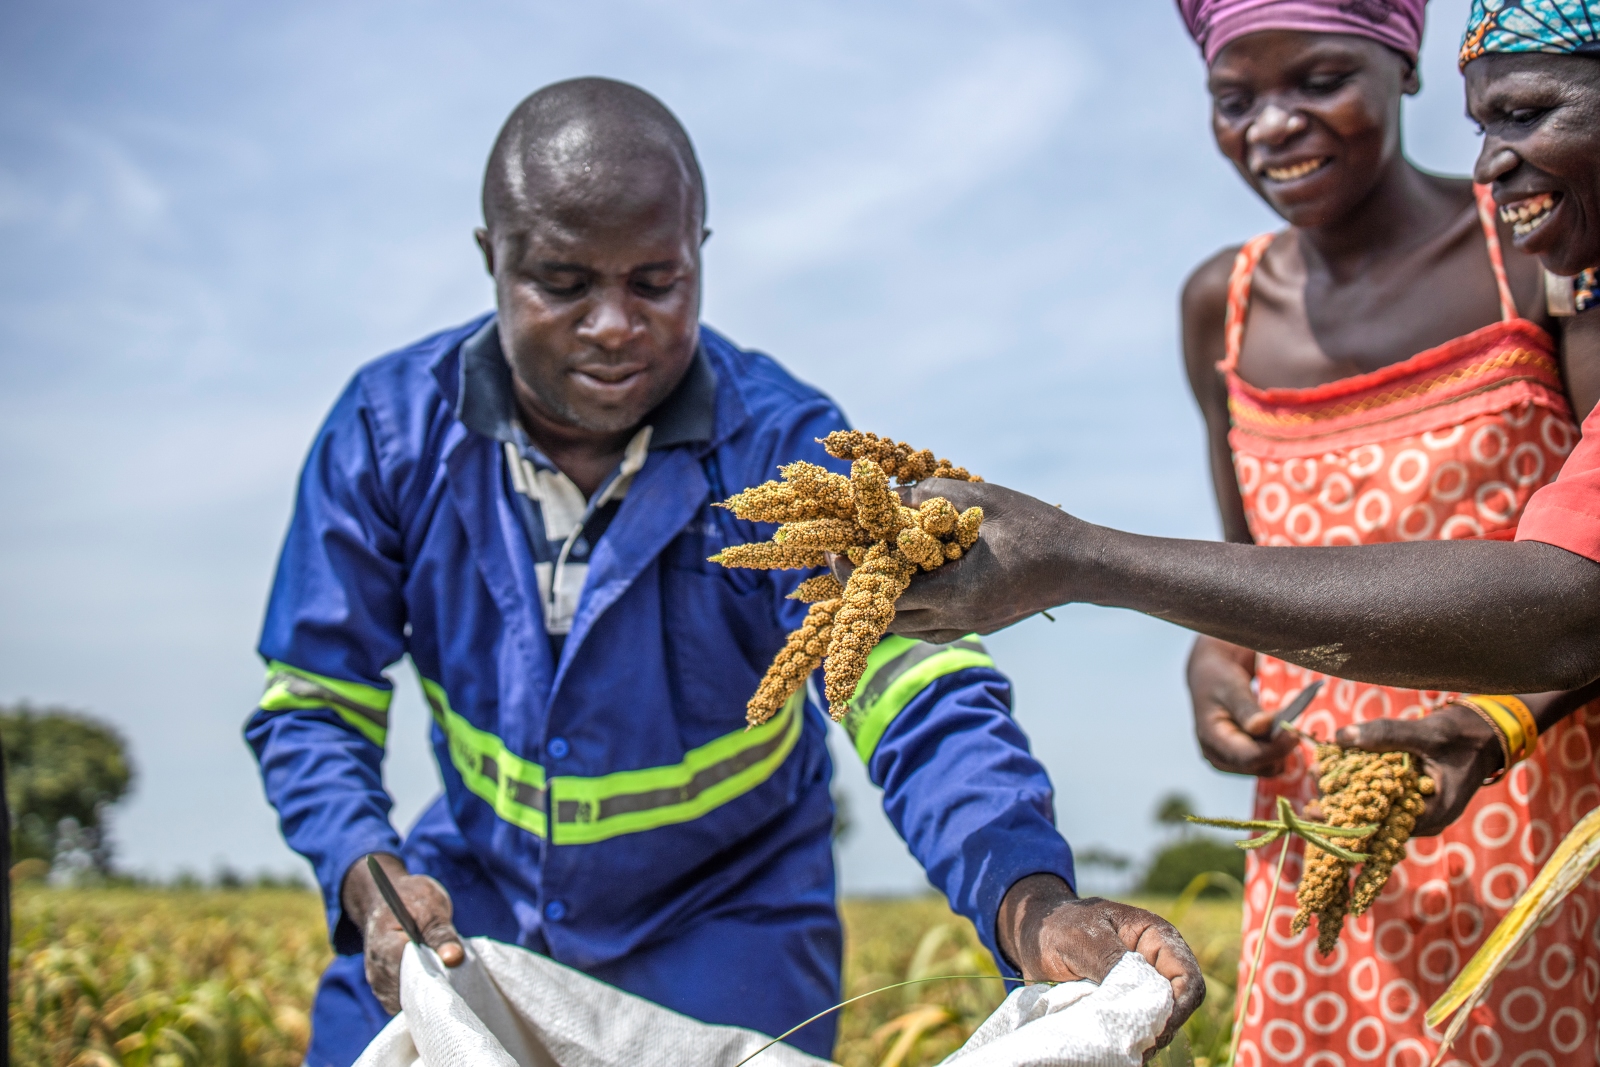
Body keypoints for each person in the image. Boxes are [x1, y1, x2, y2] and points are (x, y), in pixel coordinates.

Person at [245, 78, 1202, 1067]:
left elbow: (914, 692)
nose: (613, 323)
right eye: (562, 284)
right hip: (464, 891)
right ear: (493, 259)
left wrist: (1027, 897)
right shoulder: (387, 434)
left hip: (728, 915)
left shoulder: (787, 457)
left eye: (654, 282)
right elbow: (314, 701)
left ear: (699, 253)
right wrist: (367, 872)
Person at [1164, 0, 1600, 1061]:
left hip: (1528, 785)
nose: (1273, 125)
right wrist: (1213, 659)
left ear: (1404, 71)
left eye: (1316, 82)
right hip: (1323, 822)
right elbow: (1247, 571)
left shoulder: (1540, 241)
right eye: (1236, 99)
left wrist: (1492, 723)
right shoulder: (1219, 305)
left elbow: (1592, 570)